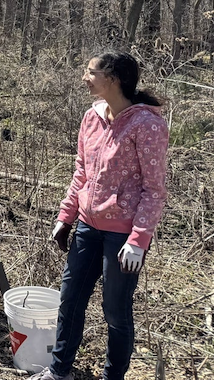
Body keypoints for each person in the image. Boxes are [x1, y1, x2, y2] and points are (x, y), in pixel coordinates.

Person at [29, 52, 168, 380]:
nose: (84, 77)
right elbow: (82, 172)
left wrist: (138, 239)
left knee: (115, 311)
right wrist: (66, 216)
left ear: (113, 78)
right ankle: (59, 371)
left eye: (91, 72)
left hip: (123, 237)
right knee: (70, 299)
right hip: (88, 227)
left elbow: (155, 189)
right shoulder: (92, 117)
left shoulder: (147, 124)